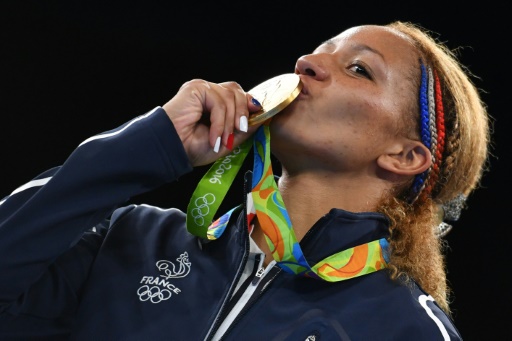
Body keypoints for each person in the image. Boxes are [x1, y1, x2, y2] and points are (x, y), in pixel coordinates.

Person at [0, 21, 490, 340]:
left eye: (358, 69)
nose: (306, 64)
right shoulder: (132, 241)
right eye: (318, 53)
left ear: (404, 156)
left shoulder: (405, 329)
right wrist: (151, 146)